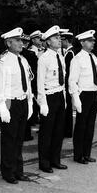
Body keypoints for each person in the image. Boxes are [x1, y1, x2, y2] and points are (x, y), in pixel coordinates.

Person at [0, 28, 34, 183]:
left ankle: (19, 170)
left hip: (23, 101)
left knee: (19, 139)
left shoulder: (23, 60)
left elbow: (28, 83)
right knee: (9, 139)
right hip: (10, 102)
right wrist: (1, 107)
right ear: (9, 43)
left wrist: (30, 102)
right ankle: (8, 171)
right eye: (17, 40)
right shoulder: (3, 62)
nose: (21, 43)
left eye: (21, 40)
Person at [37, 25, 67, 173]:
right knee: (46, 132)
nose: (59, 40)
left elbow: (63, 79)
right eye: (56, 38)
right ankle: (44, 162)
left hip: (60, 94)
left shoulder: (60, 56)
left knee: (58, 130)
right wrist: (42, 102)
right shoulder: (44, 59)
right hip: (49, 96)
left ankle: (55, 160)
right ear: (48, 42)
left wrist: (65, 99)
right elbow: (40, 82)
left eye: (59, 37)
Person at [68, 30, 97, 164]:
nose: (93, 43)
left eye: (93, 40)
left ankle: (87, 153)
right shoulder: (77, 59)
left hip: (93, 93)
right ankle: (78, 155)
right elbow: (72, 81)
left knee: (90, 125)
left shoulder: (93, 57)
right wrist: (76, 98)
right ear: (82, 43)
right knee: (81, 125)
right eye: (89, 40)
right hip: (84, 94)